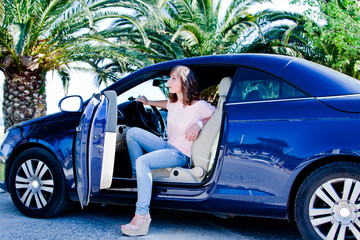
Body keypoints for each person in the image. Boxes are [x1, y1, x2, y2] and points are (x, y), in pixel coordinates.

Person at [121, 65, 215, 236]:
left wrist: (199, 123)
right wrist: (148, 102)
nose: (168, 81)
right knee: (132, 133)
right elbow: (166, 104)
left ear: (185, 82)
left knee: (143, 160)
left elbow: (216, 114)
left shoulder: (200, 106)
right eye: (169, 77)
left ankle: (142, 214)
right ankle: (138, 177)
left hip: (180, 154)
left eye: (173, 78)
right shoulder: (174, 103)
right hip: (167, 146)